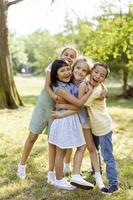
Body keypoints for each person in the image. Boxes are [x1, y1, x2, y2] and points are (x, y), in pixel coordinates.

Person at [16, 46, 78, 179]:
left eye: (72, 56)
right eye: (66, 54)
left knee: (53, 141)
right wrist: (56, 98)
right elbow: (47, 86)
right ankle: (22, 166)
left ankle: (52, 172)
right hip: (45, 105)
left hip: (58, 110)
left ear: (75, 60)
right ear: (60, 54)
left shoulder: (71, 72)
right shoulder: (53, 66)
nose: (68, 57)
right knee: (33, 135)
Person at [52, 57, 105, 190]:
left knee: (85, 146)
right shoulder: (66, 81)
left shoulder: (83, 84)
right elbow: (77, 104)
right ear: (73, 67)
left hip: (79, 119)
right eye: (78, 68)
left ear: (87, 73)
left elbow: (79, 106)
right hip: (68, 120)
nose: (80, 72)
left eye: (84, 70)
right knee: (65, 149)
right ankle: (62, 177)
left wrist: (62, 107)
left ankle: (79, 175)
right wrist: (61, 106)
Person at [83, 62, 118, 194]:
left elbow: (84, 103)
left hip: (103, 128)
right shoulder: (94, 86)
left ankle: (114, 183)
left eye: (102, 75)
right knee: (95, 150)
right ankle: (96, 171)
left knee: (107, 156)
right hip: (94, 126)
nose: (98, 76)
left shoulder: (97, 90)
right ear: (91, 72)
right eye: (96, 72)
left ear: (104, 80)